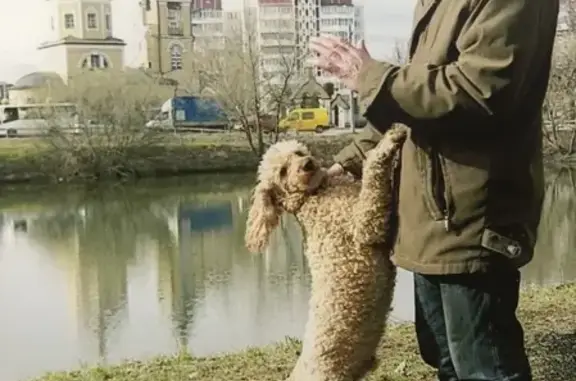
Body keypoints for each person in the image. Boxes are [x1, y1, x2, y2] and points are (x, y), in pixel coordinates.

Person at [309, 0, 560, 379]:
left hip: (472, 220)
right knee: (447, 363)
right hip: (431, 222)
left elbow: (478, 91)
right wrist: (347, 163)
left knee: (485, 367)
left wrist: (371, 76)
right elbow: (415, 107)